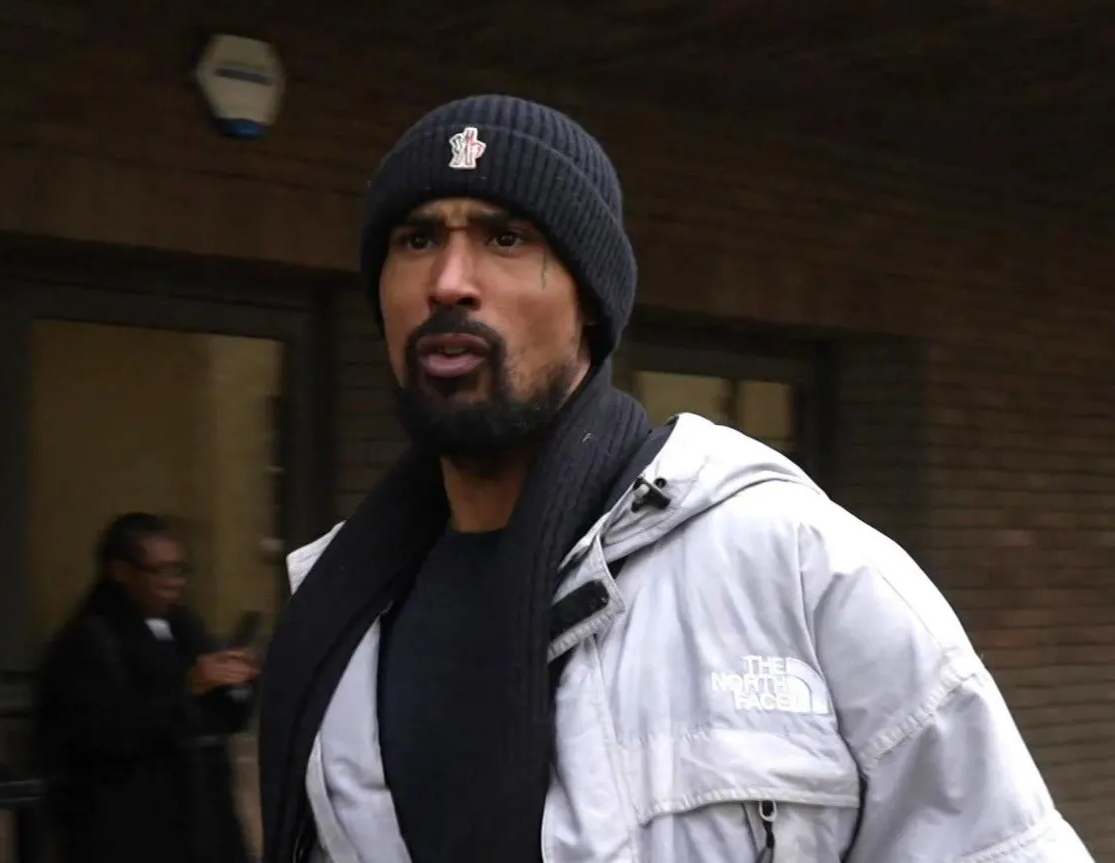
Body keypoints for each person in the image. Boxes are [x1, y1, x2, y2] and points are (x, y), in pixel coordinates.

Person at [256, 95, 1091, 862]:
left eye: (506, 238)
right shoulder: (337, 619)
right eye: (418, 239)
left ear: (589, 302)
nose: (449, 281)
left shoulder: (797, 569)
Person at [35, 512, 259, 863]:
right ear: (122, 572)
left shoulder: (185, 625)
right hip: (131, 826)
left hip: (202, 819)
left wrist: (238, 683)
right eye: (163, 571)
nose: (176, 583)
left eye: (181, 570)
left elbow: (221, 719)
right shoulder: (89, 641)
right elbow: (105, 734)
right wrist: (188, 688)